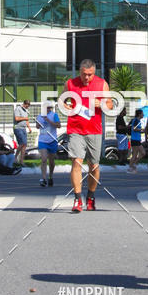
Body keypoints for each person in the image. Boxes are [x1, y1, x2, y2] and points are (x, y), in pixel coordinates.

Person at [65, 58, 112, 212]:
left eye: (90, 74)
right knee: (76, 163)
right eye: (84, 74)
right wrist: (66, 105)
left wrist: (102, 104)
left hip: (94, 130)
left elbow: (110, 105)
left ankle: (90, 196)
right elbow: (62, 101)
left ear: (94, 72)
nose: (87, 78)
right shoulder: (70, 84)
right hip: (75, 130)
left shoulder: (102, 84)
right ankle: (77, 200)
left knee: (94, 166)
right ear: (80, 72)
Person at [36, 103, 60, 186]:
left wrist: (48, 121)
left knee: (51, 161)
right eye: (46, 108)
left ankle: (50, 176)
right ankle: (43, 178)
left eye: (49, 108)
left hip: (52, 140)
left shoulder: (54, 115)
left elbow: (58, 125)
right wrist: (39, 124)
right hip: (42, 140)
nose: (47, 109)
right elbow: (37, 126)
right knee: (43, 159)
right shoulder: (39, 116)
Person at [13, 99, 32, 166]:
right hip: (18, 128)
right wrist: (24, 118)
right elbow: (17, 119)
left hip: (23, 129)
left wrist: (29, 127)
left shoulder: (26, 110)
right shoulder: (18, 109)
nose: (28, 107)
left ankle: (21, 161)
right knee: (22, 143)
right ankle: (15, 158)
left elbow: (27, 119)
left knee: (25, 145)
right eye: (27, 106)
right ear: (25, 104)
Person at [128, 108, 147, 173]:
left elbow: (136, 130)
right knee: (134, 155)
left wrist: (142, 131)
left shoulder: (138, 121)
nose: (143, 115)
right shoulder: (136, 120)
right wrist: (141, 130)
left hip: (137, 140)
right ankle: (130, 168)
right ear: (139, 114)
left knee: (143, 153)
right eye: (142, 113)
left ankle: (133, 164)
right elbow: (134, 129)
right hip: (135, 140)